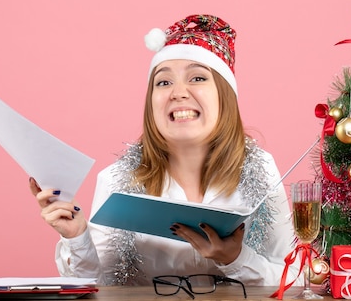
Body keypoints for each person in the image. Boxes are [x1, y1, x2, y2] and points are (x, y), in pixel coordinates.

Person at [30, 14, 297, 286]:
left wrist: (236, 259)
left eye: (197, 78)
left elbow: (294, 280)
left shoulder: (261, 169)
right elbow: (98, 289)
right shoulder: (116, 180)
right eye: (164, 82)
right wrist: (76, 237)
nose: (178, 93)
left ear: (225, 96)